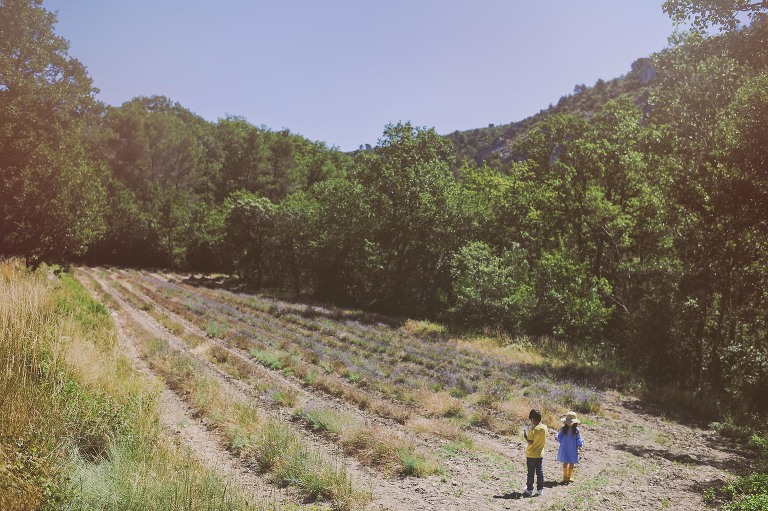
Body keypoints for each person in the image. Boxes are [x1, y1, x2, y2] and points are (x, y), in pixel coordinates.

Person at [522, 408, 547, 497]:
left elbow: (530, 442)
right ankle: (540, 489)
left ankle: (529, 489)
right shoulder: (544, 428)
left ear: (532, 419)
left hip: (531, 454)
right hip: (540, 454)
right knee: (539, 472)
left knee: (531, 472)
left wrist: (525, 435)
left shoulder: (533, 429)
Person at [556, 411, 584, 483]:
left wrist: (580, 444)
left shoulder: (576, 430)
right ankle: (565, 476)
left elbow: (578, 438)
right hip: (565, 447)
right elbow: (560, 437)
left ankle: (569, 476)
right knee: (565, 461)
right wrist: (561, 440)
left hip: (572, 448)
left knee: (572, 462)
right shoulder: (563, 428)